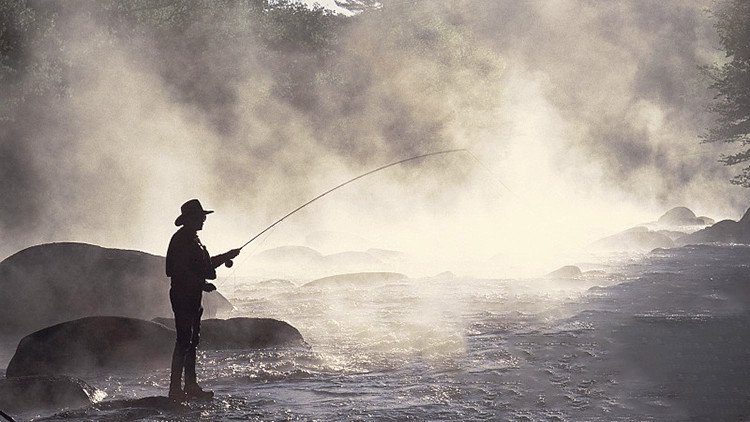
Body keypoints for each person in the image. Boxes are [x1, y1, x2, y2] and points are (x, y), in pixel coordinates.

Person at [166, 199, 240, 400]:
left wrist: (226, 256)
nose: (204, 219)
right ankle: (175, 389)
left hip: (192, 297)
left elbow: (204, 267)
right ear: (191, 219)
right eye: (201, 216)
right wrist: (202, 284)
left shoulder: (194, 240)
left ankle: (190, 386)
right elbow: (176, 271)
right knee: (183, 341)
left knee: (191, 341)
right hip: (183, 297)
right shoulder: (181, 240)